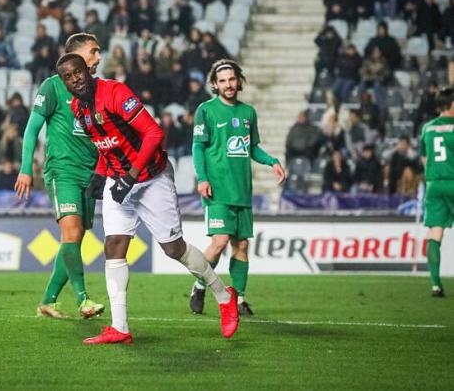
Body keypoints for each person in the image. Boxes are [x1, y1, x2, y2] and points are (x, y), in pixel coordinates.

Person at [57, 53, 239, 344]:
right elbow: (107, 146)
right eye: (67, 76)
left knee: (173, 248)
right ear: (63, 82)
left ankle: (222, 294)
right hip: (119, 180)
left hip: (151, 177)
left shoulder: (115, 92)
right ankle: (120, 327)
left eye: (78, 72)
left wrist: (130, 176)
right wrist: (100, 175)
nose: (75, 79)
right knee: (114, 245)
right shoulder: (79, 108)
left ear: (88, 71)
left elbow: (154, 133)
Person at [15, 33, 105, 319]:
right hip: (62, 170)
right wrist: (26, 168)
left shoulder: (99, 89)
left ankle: (48, 301)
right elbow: (31, 130)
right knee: (71, 233)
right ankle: (83, 299)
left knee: (75, 238)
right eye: (93, 51)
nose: (98, 57)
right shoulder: (53, 87)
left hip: (90, 175)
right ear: (75, 54)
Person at [189, 59, 286, 317]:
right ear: (215, 85)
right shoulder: (206, 110)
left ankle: (239, 299)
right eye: (223, 81)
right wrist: (202, 178)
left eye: (232, 79)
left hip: (242, 190)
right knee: (219, 242)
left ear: (239, 81)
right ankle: (199, 286)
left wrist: (272, 161)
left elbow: (251, 147)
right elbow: (198, 146)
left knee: (241, 245)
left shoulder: (248, 113)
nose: (228, 84)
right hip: (217, 190)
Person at [420, 87, 454, 297]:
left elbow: (424, 158)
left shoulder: (427, 128)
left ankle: (435, 284)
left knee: (435, 233)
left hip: (433, 185)